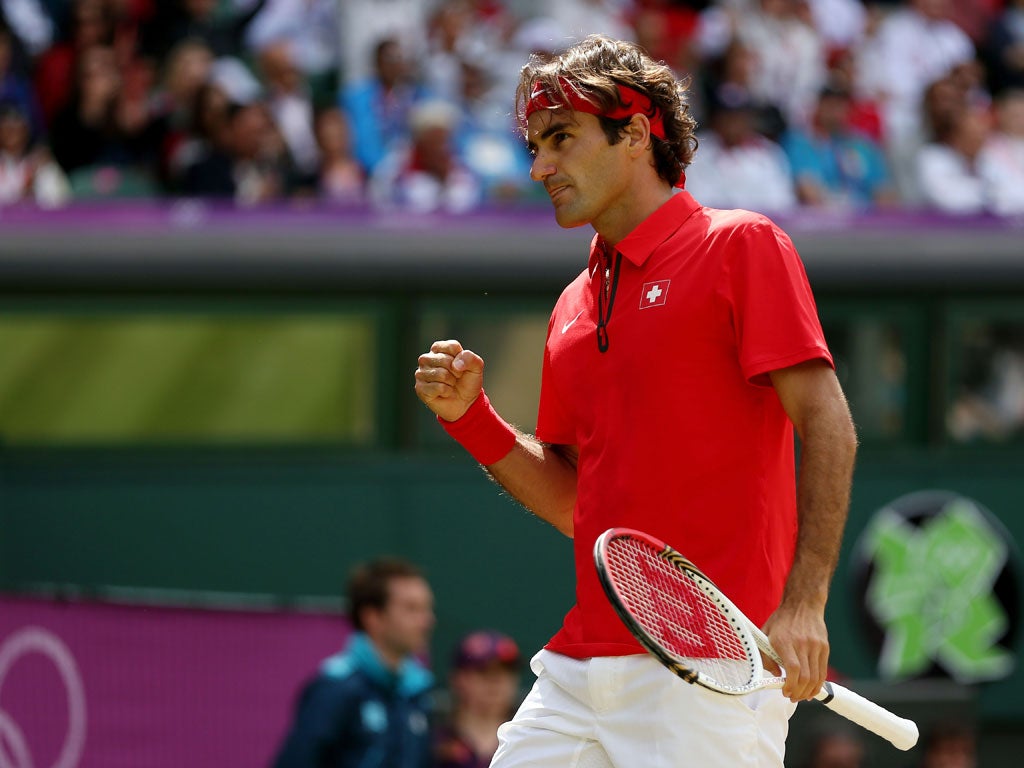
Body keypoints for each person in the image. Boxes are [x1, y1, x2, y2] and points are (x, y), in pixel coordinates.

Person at [414, 34, 858, 768]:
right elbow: (577, 506)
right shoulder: (571, 305)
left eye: (561, 138)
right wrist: (472, 420)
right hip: (582, 663)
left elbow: (830, 426)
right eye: (533, 146)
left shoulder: (741, 246)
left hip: (713, 669)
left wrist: (805, 602)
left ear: (636, 132)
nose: (540, 167)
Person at [272, 557, 436, 768]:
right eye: (411, 609)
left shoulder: (419, 695)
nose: (427, 620)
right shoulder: (334, 689)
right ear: (372, 617)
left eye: (427, 608)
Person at [433, 630, 522, 768]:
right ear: (458, 679)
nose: (496, 681)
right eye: (484, 671)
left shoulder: (529, 741)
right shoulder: (434, 743)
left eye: (507, 672)